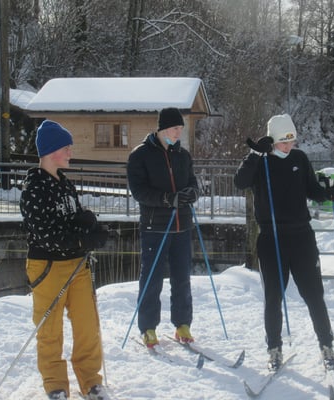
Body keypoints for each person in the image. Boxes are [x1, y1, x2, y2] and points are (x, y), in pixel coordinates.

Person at [234, 114, 334, 372]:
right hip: (271, 239)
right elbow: (240, 182)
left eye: (292, 141)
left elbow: (312, 189)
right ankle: (274, 348)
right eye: (283, 142)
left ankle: (326, 345)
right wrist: (254, 155)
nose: (288, 146)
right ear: (272, 141)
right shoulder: (261, 161)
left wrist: (327, 194)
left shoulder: (299, 158)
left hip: (302, 237)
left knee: (314, 295)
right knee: (273, 297)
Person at [20, 120, 110, 400]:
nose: (71, 152)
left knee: (87, 325)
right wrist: (81, 240)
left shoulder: (65, 183)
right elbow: (47, 234)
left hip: (77, 265)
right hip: (47, 266)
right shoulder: (34, 188)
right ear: (51, 151)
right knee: (50, 329)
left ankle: (91, 382)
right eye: (66, 148)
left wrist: (90, 225)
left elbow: (71, 218)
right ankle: (56, 385)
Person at [127, 107, 199, 349]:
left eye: (180, 128)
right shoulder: (140, 155)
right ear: (162, 129)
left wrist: (192, 193)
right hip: (155, 227)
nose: (178, 133)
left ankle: (182, 324)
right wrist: (167, 199)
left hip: (182, 226)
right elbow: (139, 191)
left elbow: (193, 182)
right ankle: (148, 327)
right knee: (152, 278)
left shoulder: (183, 155)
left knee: (182, 278)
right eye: (174, 128)